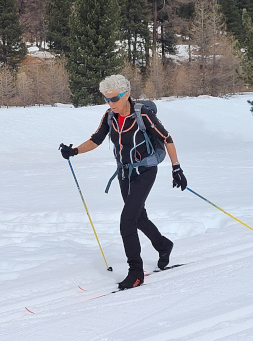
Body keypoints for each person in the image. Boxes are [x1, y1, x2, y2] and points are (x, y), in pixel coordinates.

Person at [60, 74, 188, 290]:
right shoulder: (109, 117)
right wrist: (73, 151)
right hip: (124, 174)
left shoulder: (143, 114)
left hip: (146, 170)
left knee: (127, 220)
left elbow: (167, 138)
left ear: (126, 94)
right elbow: (95, 140)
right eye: (106, 99)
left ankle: (136, 272)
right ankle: (163, 245)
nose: (111, 104)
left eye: (114, 99)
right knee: (138, 218)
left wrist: (176, 168)